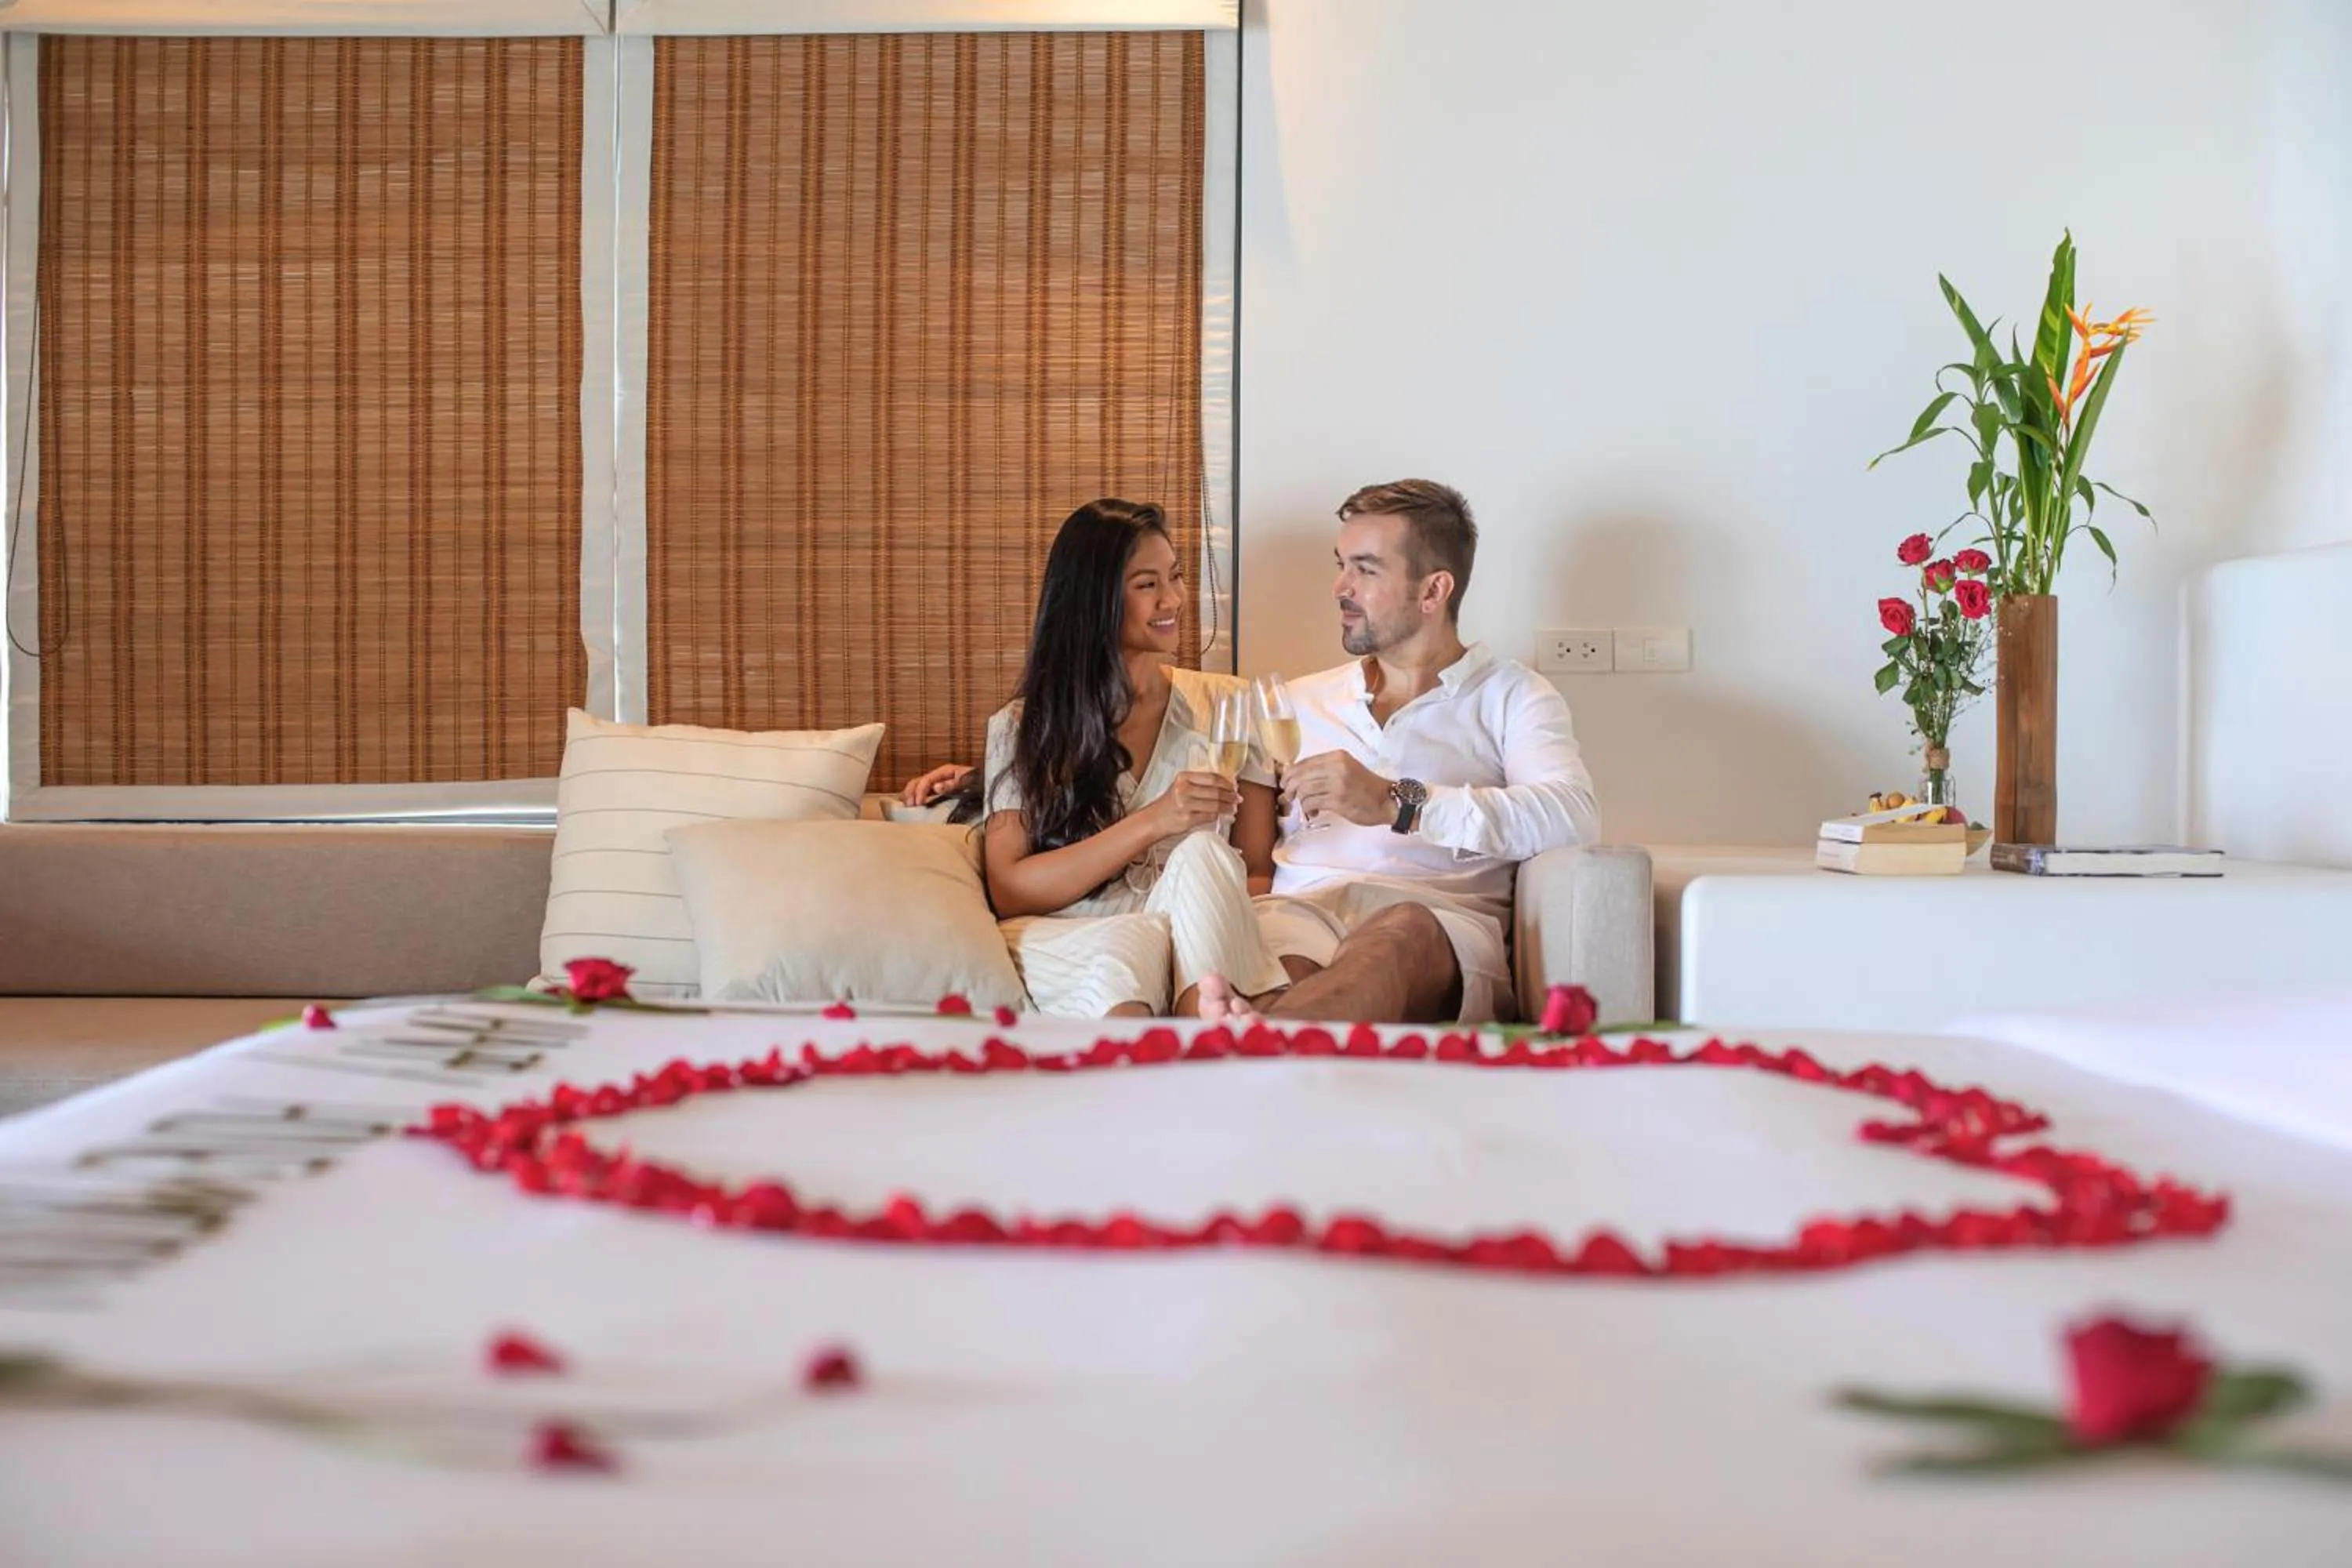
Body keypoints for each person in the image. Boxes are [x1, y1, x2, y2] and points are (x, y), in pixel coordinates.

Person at [1195, 478, 1599, 1025]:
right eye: (1341, 564)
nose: (1341, 586)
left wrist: (1398, 802)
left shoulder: (1513, 695)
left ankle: (1259, 1043)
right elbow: (1251, 858)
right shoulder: (1294, 702)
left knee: (1398, 935)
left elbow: (1572, 817)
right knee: (1285, 959)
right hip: (1302, 912)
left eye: (1365, 569)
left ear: (1433, 592)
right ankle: (1276, 1036)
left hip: (1434, 922)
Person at [945, 498, 1301, 1018]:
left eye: (1175, 577)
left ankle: (1205, 1023)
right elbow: (1010, 888)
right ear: (1095, 601)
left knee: (1204, 856)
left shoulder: (1229, 706)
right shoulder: (1024, 728)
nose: (1174, 599)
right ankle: (1211, 1038)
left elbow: (1255, 873)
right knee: (1128, 952)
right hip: (1074, 936)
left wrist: (1204, 935)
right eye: (1147, 584)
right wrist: (1157, 820)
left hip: (1188, 939)